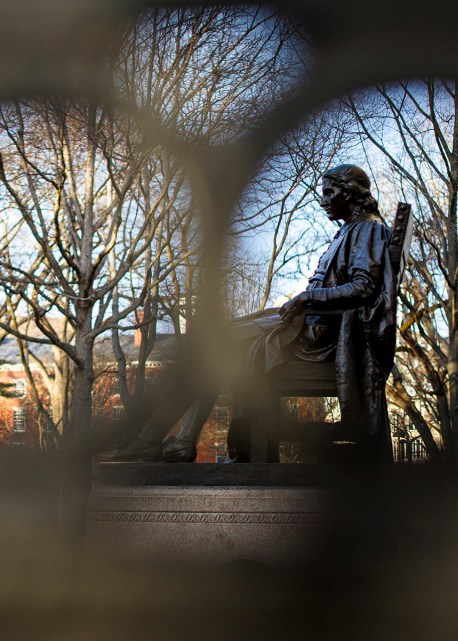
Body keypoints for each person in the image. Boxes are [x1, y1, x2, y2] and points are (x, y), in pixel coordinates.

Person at [104, 164, 397, 463]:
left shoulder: (368, 229)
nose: (322, 201)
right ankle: (177, 440)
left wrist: (309, 297)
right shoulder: (352, 230)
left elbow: (364, 288)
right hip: (308, 326)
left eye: (328, 193)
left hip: (321, 338)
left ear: (349, 193)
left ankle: (158, 439)